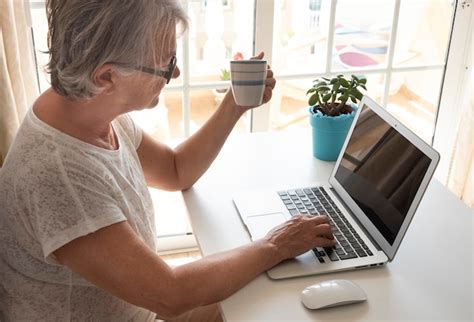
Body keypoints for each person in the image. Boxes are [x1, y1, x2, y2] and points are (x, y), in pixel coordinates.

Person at [0, 1, 336, 321]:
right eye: (164, 62)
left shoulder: (90, 110)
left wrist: (235, 103)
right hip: (150, 308)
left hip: (139, 308)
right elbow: (171, 294)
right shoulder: (59, 173)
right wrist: (275, 244)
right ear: (106, 77)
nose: (174, 72)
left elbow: (176, 170)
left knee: (276, 294)